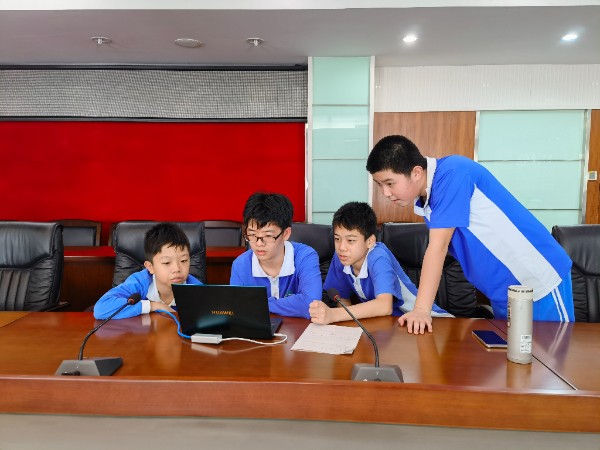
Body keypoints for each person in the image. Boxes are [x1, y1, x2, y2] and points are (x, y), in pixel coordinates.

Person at [366, 135, 574, 334]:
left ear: (417, 172)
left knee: (551, 355)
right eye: (379, 185)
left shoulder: (452, 173)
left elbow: (438, 247)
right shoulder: (428, 199)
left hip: (537, 282)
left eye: (390, 183)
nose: (385, 193)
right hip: (503, 293)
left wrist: (421, 310)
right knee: (514, 358)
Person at [309, 201, 451, 325]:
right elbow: (343, 300)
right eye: (337, 239)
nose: (342, 247)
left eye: (350, 240)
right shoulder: (341, 257)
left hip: (431, 320)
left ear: (370, 241)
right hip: (393, 325)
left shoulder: (378, 257)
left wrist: (333, 315)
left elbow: (384, 305)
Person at [230, 192, 322, 319]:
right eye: (252, 235)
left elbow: (311, 305)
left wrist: (258, 304)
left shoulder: (305, 257)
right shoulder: (240, 265)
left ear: (286, 234)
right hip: (260, 330)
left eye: (268, 236)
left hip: (300, 330)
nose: (259, 243)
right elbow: (237, 308)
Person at [94, 222, 203, 319]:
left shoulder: (196, 289)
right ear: (150, 267)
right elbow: (101, 309)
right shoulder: (139, 283)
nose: (177, 269)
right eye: (166, 263)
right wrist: (154, 306)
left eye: (184, 261)